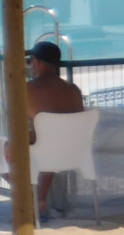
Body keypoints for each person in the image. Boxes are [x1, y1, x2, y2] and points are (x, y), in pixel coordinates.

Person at [5, 41, 86, 216]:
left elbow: (19, 126)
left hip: (46, 153)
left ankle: (29, 196)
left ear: (36, 62)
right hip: (76, 153)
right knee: (49, 147)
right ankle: (37, 198)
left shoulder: (27, 90)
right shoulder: (74, 90)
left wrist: (14, 141)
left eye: (30, 62)